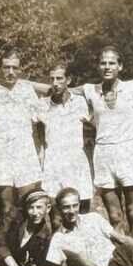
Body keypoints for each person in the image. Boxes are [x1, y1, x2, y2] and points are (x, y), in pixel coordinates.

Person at [78, 47, 133, 239]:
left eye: (112, 63)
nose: (107, 67)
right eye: (103, 63)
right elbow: (58, 88)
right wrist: (23, 82)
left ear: (120, 66)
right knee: (115, 216)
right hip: (103, 154)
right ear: (98, 66)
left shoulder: (132, 86)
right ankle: (123, 263)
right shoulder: (91, 90)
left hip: (127, 151)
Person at [0, 48, 43, 240]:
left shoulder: (27, 91)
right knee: (6, 206)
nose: (10, 72)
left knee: (30, 203)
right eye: (6, 67)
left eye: (15, 68)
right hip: (1, 152)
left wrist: (40, 149)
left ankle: (30, 249)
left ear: (20, 69)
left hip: (25, 150)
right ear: (0, 68)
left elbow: (38, 123)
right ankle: (7, 248)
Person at [34, 62, 95, 212]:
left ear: (68, 80)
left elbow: (92, 126)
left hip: (76, 162)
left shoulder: (80, 102)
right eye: (52, 79)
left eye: (59, 78)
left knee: (83, 212)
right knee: (55, 214)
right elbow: (38, 134)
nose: (55, 83)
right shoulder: (42, 105)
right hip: (53, 162)